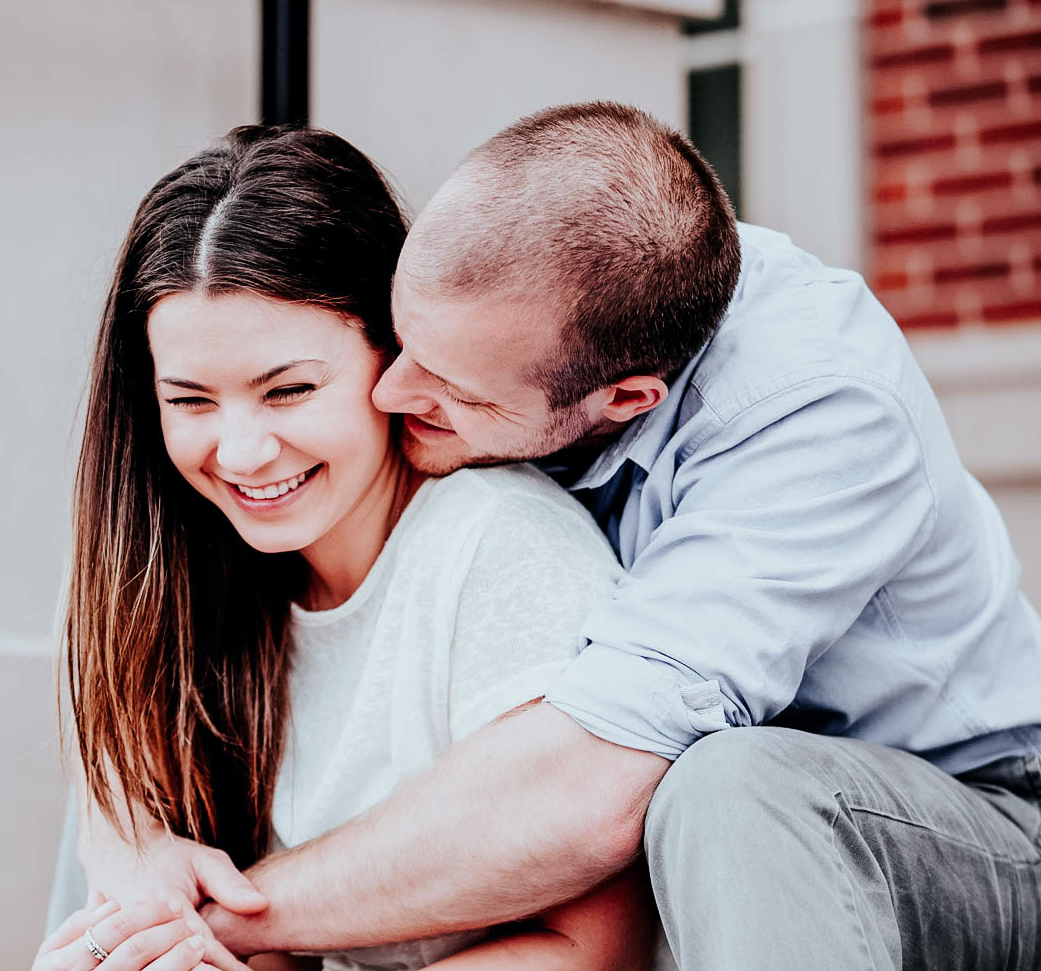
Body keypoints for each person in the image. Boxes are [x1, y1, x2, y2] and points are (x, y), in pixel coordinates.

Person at [72, 104, 1041, 971]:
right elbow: (126, 679)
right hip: (707, 827)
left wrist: (216, 916)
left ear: (625, 401)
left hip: (968, 825)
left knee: (733, 785)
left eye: (454, 392)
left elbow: (593, 784)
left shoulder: (815, 417)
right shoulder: (526, 283)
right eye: (403, 342)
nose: (396, 391)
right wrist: (134, 867)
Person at [42, 123, 662, 971]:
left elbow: (599, 949)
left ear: (393, 353)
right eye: (190, 401)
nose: (243, 450)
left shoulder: (500, 549)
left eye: (289, 390)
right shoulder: (170, 576)